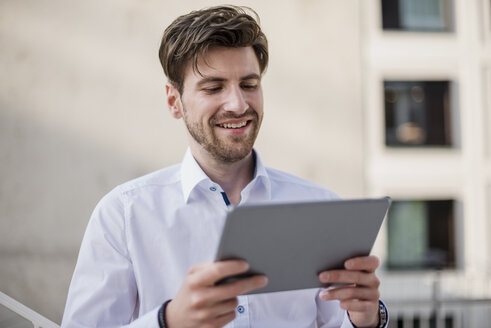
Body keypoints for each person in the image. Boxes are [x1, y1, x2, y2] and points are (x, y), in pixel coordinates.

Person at [61, 5, 388, 328]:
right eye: (213, 87)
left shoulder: (320, 207)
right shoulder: (123, 215)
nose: (238, 104)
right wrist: (168, 321)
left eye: (249, 84)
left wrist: (366, 320)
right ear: (174, 101)